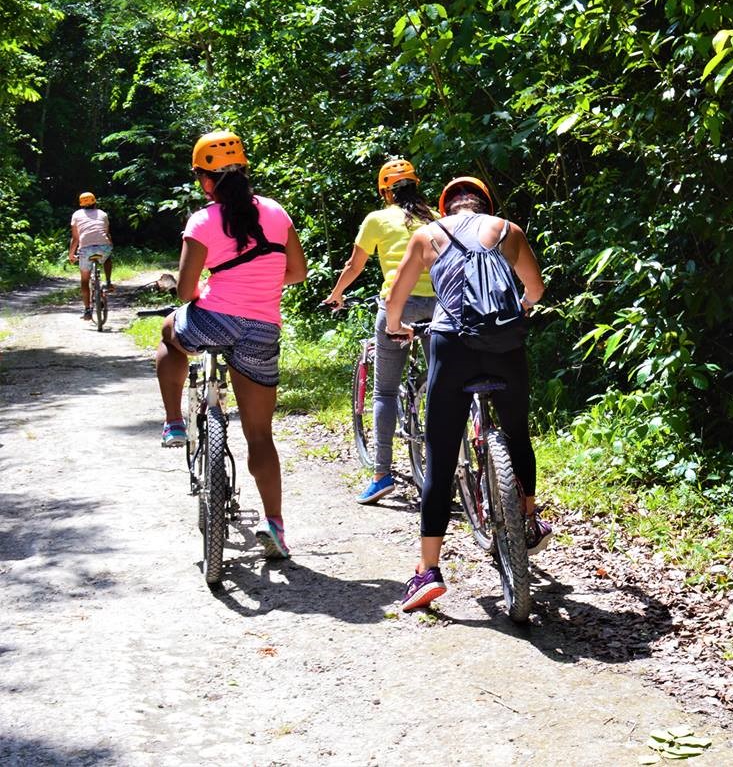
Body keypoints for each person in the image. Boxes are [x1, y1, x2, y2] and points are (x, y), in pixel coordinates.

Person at [385, 175, 552, 611]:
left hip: (451, 344)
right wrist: (521, 309)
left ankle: (427, 571)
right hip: (505, 344)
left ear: (447, 207)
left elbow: (396, 299)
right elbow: (534, 289)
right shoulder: (507, 230)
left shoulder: (427, 234)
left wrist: (394, 328)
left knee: (440, 458)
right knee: (517, 435)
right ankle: (528, 522)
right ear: (484, 205)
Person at [154, 130, 308, 559]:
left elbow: (185, 293)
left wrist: (210, 285)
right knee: (260, 434)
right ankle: (274, 524)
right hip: (262, 328)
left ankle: (173, 423)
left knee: (170, 330)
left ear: (205, 179)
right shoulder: (276, 212)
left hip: (213, 322)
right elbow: (296, 272)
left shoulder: (202, 220)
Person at [324, 159, 437, 503]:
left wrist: (336, 294)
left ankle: (382, 475)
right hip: (440, 307)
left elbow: (354, 265)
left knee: (385, 393)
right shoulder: (437, 218)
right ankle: (445, 469)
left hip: (398, 306)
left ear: (385, 191)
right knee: (441, 387)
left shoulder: (377, 219)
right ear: (416, 185)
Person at [69, 192, 114, 320]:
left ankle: (87, 310)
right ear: (95, 202)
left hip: (86, 249)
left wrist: (71, 254)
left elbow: (75, 238)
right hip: (103, 247)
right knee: (107, 257)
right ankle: (109, 282)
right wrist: (110, 246)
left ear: (81, 204)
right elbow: (106, 233)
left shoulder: (76, 215)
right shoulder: (103, 214)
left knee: (84, 280)